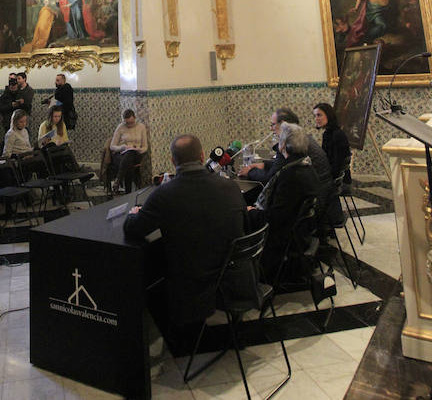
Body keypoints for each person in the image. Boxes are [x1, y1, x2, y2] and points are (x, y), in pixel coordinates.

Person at [124, 134, 247, 326]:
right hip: (233, 274)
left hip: (191, 279)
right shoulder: (230, 186)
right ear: (202, 156)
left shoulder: (164, 195)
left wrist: (133, 213)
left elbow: (133, 229)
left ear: (173, 161)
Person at [248, 123, 321, 281]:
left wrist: (251, 212)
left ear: (283, 146)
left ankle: (248, 275)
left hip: (285, 237)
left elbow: (274, 219)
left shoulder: (290, 176)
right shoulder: (306, 165)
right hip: (303, 231)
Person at [109, 109, 148, 194]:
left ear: (135, 118)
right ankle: (128, 192)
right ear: (124, 121)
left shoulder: (141, 127)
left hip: (136, 153)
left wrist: (137, 149)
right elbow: (112, 146)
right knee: (128, 162)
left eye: (131, 122)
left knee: (130, 154)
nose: (129, 125)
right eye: (127, 123)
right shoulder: (121, 127)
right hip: (122, 154)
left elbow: (145, 147)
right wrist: (122, 147)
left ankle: (118, 180)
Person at [313, 102, 352, 181]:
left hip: (340, 180)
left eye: (319, 115)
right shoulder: (328, 133)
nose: (316, 119)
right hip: (333, 175)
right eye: (315, 116)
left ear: (328, 115)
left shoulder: (337, 135)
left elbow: (337, 164)